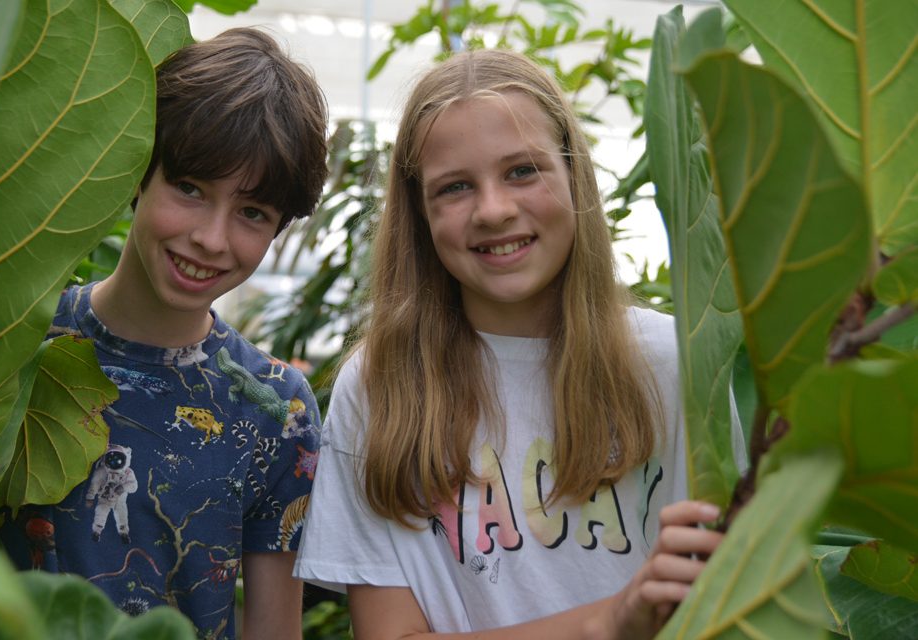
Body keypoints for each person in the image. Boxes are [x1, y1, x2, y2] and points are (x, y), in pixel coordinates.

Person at [293, 48, 727, 639]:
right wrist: (609, 622)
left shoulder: (675, 368)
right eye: (454, 187)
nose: (494, 210)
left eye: (522, 171)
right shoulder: (380, 386)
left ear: (574, 174)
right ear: (420, 214)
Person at [0, 27, 329, 640]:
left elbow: (274, 628)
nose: (210, 237)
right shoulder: (13, 341)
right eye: (190, 188)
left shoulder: (277, 411)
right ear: (139, 174)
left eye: (252, 213)